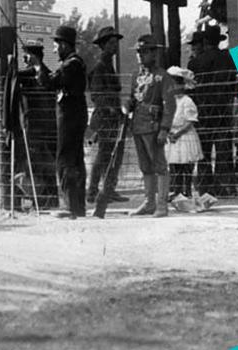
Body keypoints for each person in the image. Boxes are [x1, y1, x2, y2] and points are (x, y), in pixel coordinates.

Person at [30, 25, 88, 218]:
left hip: (70, 118)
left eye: (56, 45)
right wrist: (40, 65)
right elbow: (55, 79)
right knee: (75, 160)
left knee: (65, 161)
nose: (54, 50)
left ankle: (70, 206)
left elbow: (50, 82)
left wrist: (38, 65)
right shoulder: (74, 64)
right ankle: (78, 207)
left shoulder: (72, 64)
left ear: (63, 45)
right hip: (75, 116)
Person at [127, 34, 176, 217]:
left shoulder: (162, 76)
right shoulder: (135, 76)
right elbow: (132, 99)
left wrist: (164, 128)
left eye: (145, 52)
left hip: (154, 126)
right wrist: (127, 105)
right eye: (138, 52)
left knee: (159, 166)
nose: (140, 55)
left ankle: (162, 205)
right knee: (145, 166)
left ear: (153, 54)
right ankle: (149, 203)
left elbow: (170, 105)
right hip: (137, 126)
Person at [187, 24, 238, 197]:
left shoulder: (195, 62)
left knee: (203, 150)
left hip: (203, 110)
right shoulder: (229, 58)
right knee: (224, 149)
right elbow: (235, 83)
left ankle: (205, 186)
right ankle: (225, 185)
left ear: (205, 41)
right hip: (223, 108)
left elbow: (190, 88)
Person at [85, 26, 129, 205]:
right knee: (103, 155)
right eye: (111, 43)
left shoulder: (108, 64)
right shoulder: (100, 66)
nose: (114, 46)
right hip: (104, 118)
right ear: (103, 45)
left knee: (112, 155)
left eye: (116, 43)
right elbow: (97, 95)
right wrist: (111, 109)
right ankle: (93, 191)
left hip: (112, 117)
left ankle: (108, 189)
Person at [165, 67, 203, 206]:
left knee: (186, 165)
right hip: (172, 135)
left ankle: (187, 190)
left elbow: (190, 120)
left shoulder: (187, 101)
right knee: (174, 165)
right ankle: (176, 190)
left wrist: (178, 133)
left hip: (184, 135)